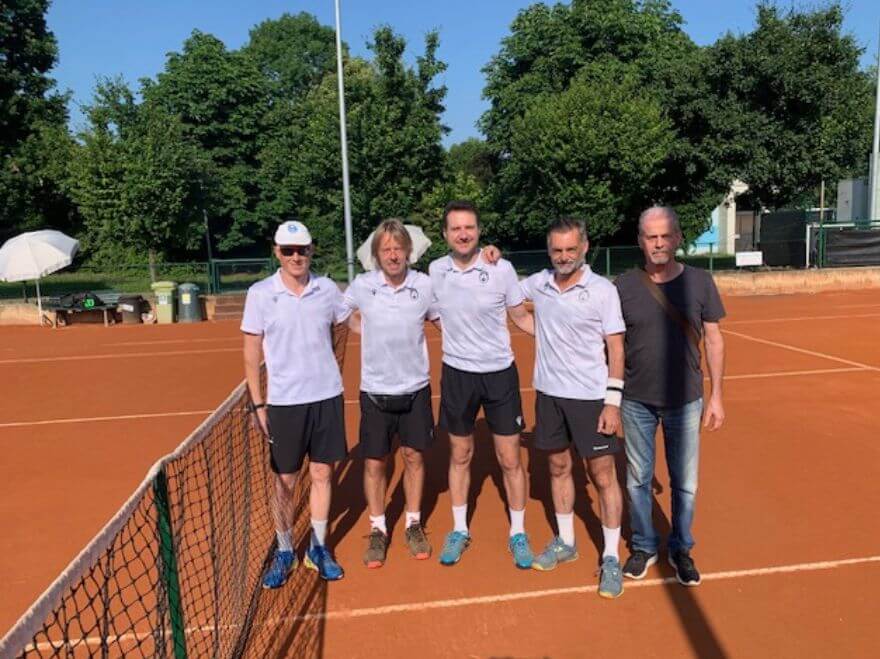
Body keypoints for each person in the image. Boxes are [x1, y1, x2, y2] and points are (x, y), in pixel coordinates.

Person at [615, 206, 726, 587]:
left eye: (665, 236)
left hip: (686, 400)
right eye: (651, 237)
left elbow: (714, 339)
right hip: (636, 400)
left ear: (677, 238)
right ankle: (644, 545)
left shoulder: (700, 282)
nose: (658, 243)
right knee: (638, 479)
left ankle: (681, 548)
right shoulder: (623, 286)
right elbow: (610, 343)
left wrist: (717, 396)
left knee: (685, 482)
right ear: (641, 241)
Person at [520, 217, 627, 599]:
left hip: (591, 397)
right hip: (549, 395)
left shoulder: (602, 291)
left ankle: (611, 557)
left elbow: (616, 348)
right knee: (558, 467)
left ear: (584, 248)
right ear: (549, 251)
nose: (564, 256)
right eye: (557, 250)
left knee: (602, 475)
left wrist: (612, 403)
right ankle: (566, 542)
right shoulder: (539, 283)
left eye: (570, 249)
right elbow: (508, 298)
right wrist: (489, 256)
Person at [241, 220, 351, 587]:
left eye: (302, 249)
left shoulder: (327, 289)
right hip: (284, 403)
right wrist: (258, 405)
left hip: (327, 397)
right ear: (277, 252)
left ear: (311, 250)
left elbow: (352, 321)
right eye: (288, 250)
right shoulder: (260, 294)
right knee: (285, 481)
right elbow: (251, 351)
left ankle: (318, 547)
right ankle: (285, 549)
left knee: (322, 474)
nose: (296, 256)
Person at [428, 200, 535, 569]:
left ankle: (518, 531)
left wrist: (560, 337)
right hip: (457, 375)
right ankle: (459, 529)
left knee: (510, 458)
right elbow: (433, 315)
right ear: (445, 234)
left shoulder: (500, 267)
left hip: (499, 374)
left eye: (469, 227)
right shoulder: (435, 271)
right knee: (460, 455)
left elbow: (520, 315)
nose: (463, 234)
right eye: (456, 228)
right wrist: (457, 338)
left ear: (479, 231)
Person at [343, 219, 437, 568]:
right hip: (374, 391)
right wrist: (363, 329)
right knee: (374, 462)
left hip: (415, 390)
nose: (393, 255)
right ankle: (378, 528)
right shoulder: (362, 286)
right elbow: (339, 314)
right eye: (387, 249)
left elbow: (442, 318)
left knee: (414, 457)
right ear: (377, 254)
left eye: (398, 248)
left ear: (408, 251)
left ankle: (413, 523)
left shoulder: (424, 285)